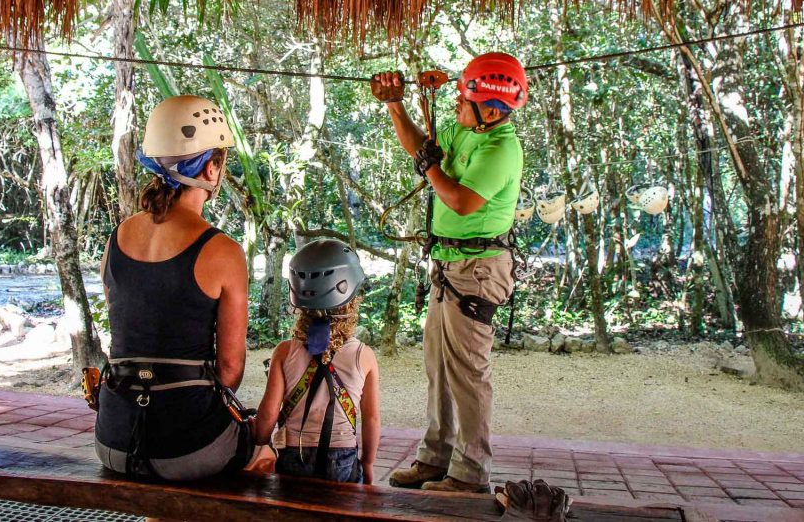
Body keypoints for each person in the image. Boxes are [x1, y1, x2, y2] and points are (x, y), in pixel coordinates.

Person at [371, 52, 527, 493]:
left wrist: (431, 168)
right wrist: (395, 104)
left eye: (465, 98)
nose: (457, 104)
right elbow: (424, 151)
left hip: (477, 269)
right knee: (439, 365)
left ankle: (471, 471)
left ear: (491, 109)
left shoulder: (502, 149)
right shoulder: (469, 127)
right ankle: (436, 458)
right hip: (450, 264)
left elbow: (460, 200)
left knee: (467, 369)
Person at [94, 94, 252, 480]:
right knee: (263, 451)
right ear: (212, 168)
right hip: (185, 448)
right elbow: (230, 371)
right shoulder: (222, 251)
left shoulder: (118, 237)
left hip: (113, 441)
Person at [252, 239, 381, 484]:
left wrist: (259, 444)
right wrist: (368, 463)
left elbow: (268, 413)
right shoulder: (364, 356)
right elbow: (372, 418)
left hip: (292, 453)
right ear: (351, 299)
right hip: (342, 458)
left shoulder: (284, 351)